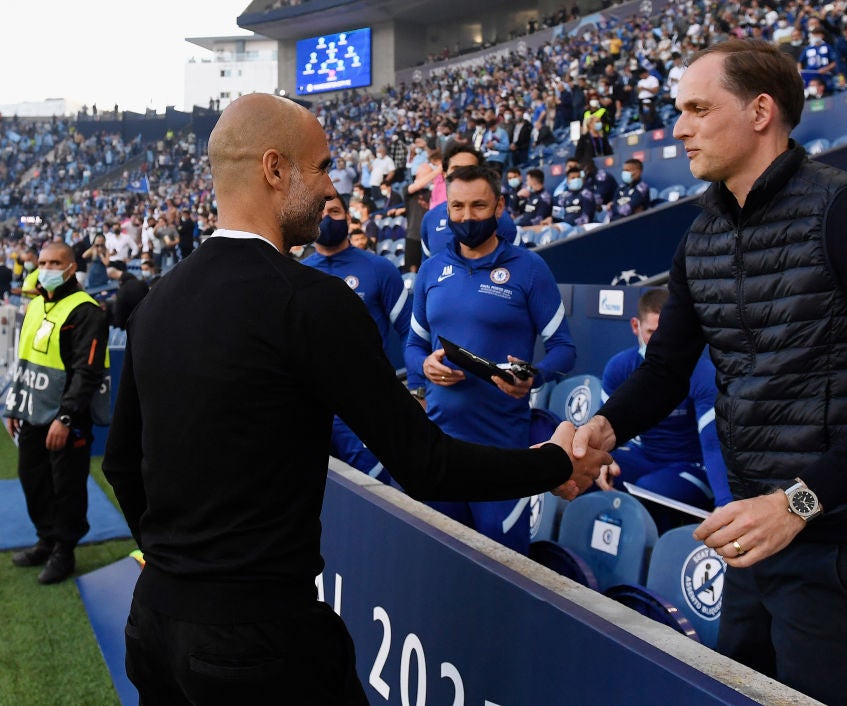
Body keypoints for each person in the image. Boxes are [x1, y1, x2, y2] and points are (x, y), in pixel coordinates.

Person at [101, 94, 607, 704]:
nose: (328, 187)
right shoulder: (311, 302)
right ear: (274, 169)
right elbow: (424, 463)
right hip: (258, 643)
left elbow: (121, 463)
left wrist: (173, 567)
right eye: (320, 168)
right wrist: (554, 462)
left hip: (154, 623)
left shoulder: (158, 302)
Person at [570, 40, 847, 706]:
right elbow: (665, 370)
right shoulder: (703, 233)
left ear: (759, 111)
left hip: (844, 547)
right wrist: (600, 428)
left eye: (696, 108)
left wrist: (799, 502)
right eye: (677, 111)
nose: (681, 128)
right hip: (753, 533)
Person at [405, 164, 577, 554]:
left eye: (478, 205)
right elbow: (412, 349)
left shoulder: (530, 269)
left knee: (504, 572)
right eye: (458, 206)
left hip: (504, 454)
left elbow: (564, 349)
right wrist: (424, 367)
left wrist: (534, 376)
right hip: (441, 450)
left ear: (499, 206)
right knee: (440, 568)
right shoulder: (431, 270)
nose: (467, 216)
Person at [4, 241, 110, 585]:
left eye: (55, 262)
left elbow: (88, 372)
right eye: (43, 261)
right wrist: (14, 404)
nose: (46, 268)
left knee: (66, 486)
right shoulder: (35, 304)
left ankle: (64, 549)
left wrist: (65, 417)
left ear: (70, 267)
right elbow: (26, 359)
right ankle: (46, 539)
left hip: (66, 419)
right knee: (32, 479)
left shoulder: (87, 311)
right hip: (32, 411)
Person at [302, 193, 411, 484]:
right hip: (310, 410)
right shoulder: (297, 273)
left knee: (378, 493)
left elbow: (411, 333)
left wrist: (418, 390)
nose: (327, 218)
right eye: (319, 211)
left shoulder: (379, 269)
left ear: (349, 218)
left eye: (335, 212)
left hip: (366, 407)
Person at [598, 288, 714, 531]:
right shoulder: (620, 366)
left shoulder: (701, 373)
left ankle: (655, 559)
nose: (660, 340)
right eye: (651, 332)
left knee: (649, 489)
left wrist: (725, 502)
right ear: (635, 326)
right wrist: (600, 460)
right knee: (587, 471)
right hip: (644, 457)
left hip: (691, 465)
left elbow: (713, 444)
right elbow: (604, 428)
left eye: (666, 332)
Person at [420, 144, 520, 259]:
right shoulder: (430, 219)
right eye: (456, 169)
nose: (462, 175)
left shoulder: (500, 218)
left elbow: (519, 264)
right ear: (444, 175)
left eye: (470, 169)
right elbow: (428, 270)